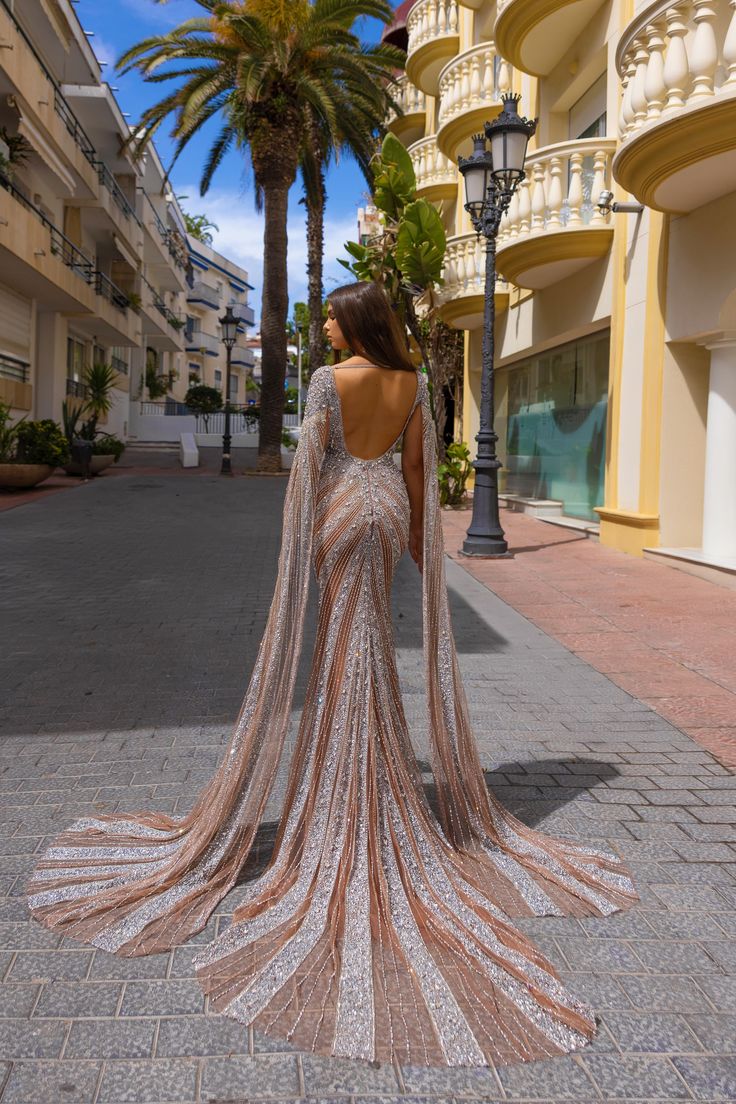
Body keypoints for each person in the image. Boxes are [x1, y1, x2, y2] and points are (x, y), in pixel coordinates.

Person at [26, 281, 638, 1068]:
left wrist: (303, 545)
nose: (322, 327)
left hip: (344, 512)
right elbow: (418, 476)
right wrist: (421, 550)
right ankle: (362, 780)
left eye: (331, 317)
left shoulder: (326, 380)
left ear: (356, 322)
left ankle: (346, 803)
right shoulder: (414, 385)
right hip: (385, 517)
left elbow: (308, 470)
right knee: (369, 648)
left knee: (342, 652)